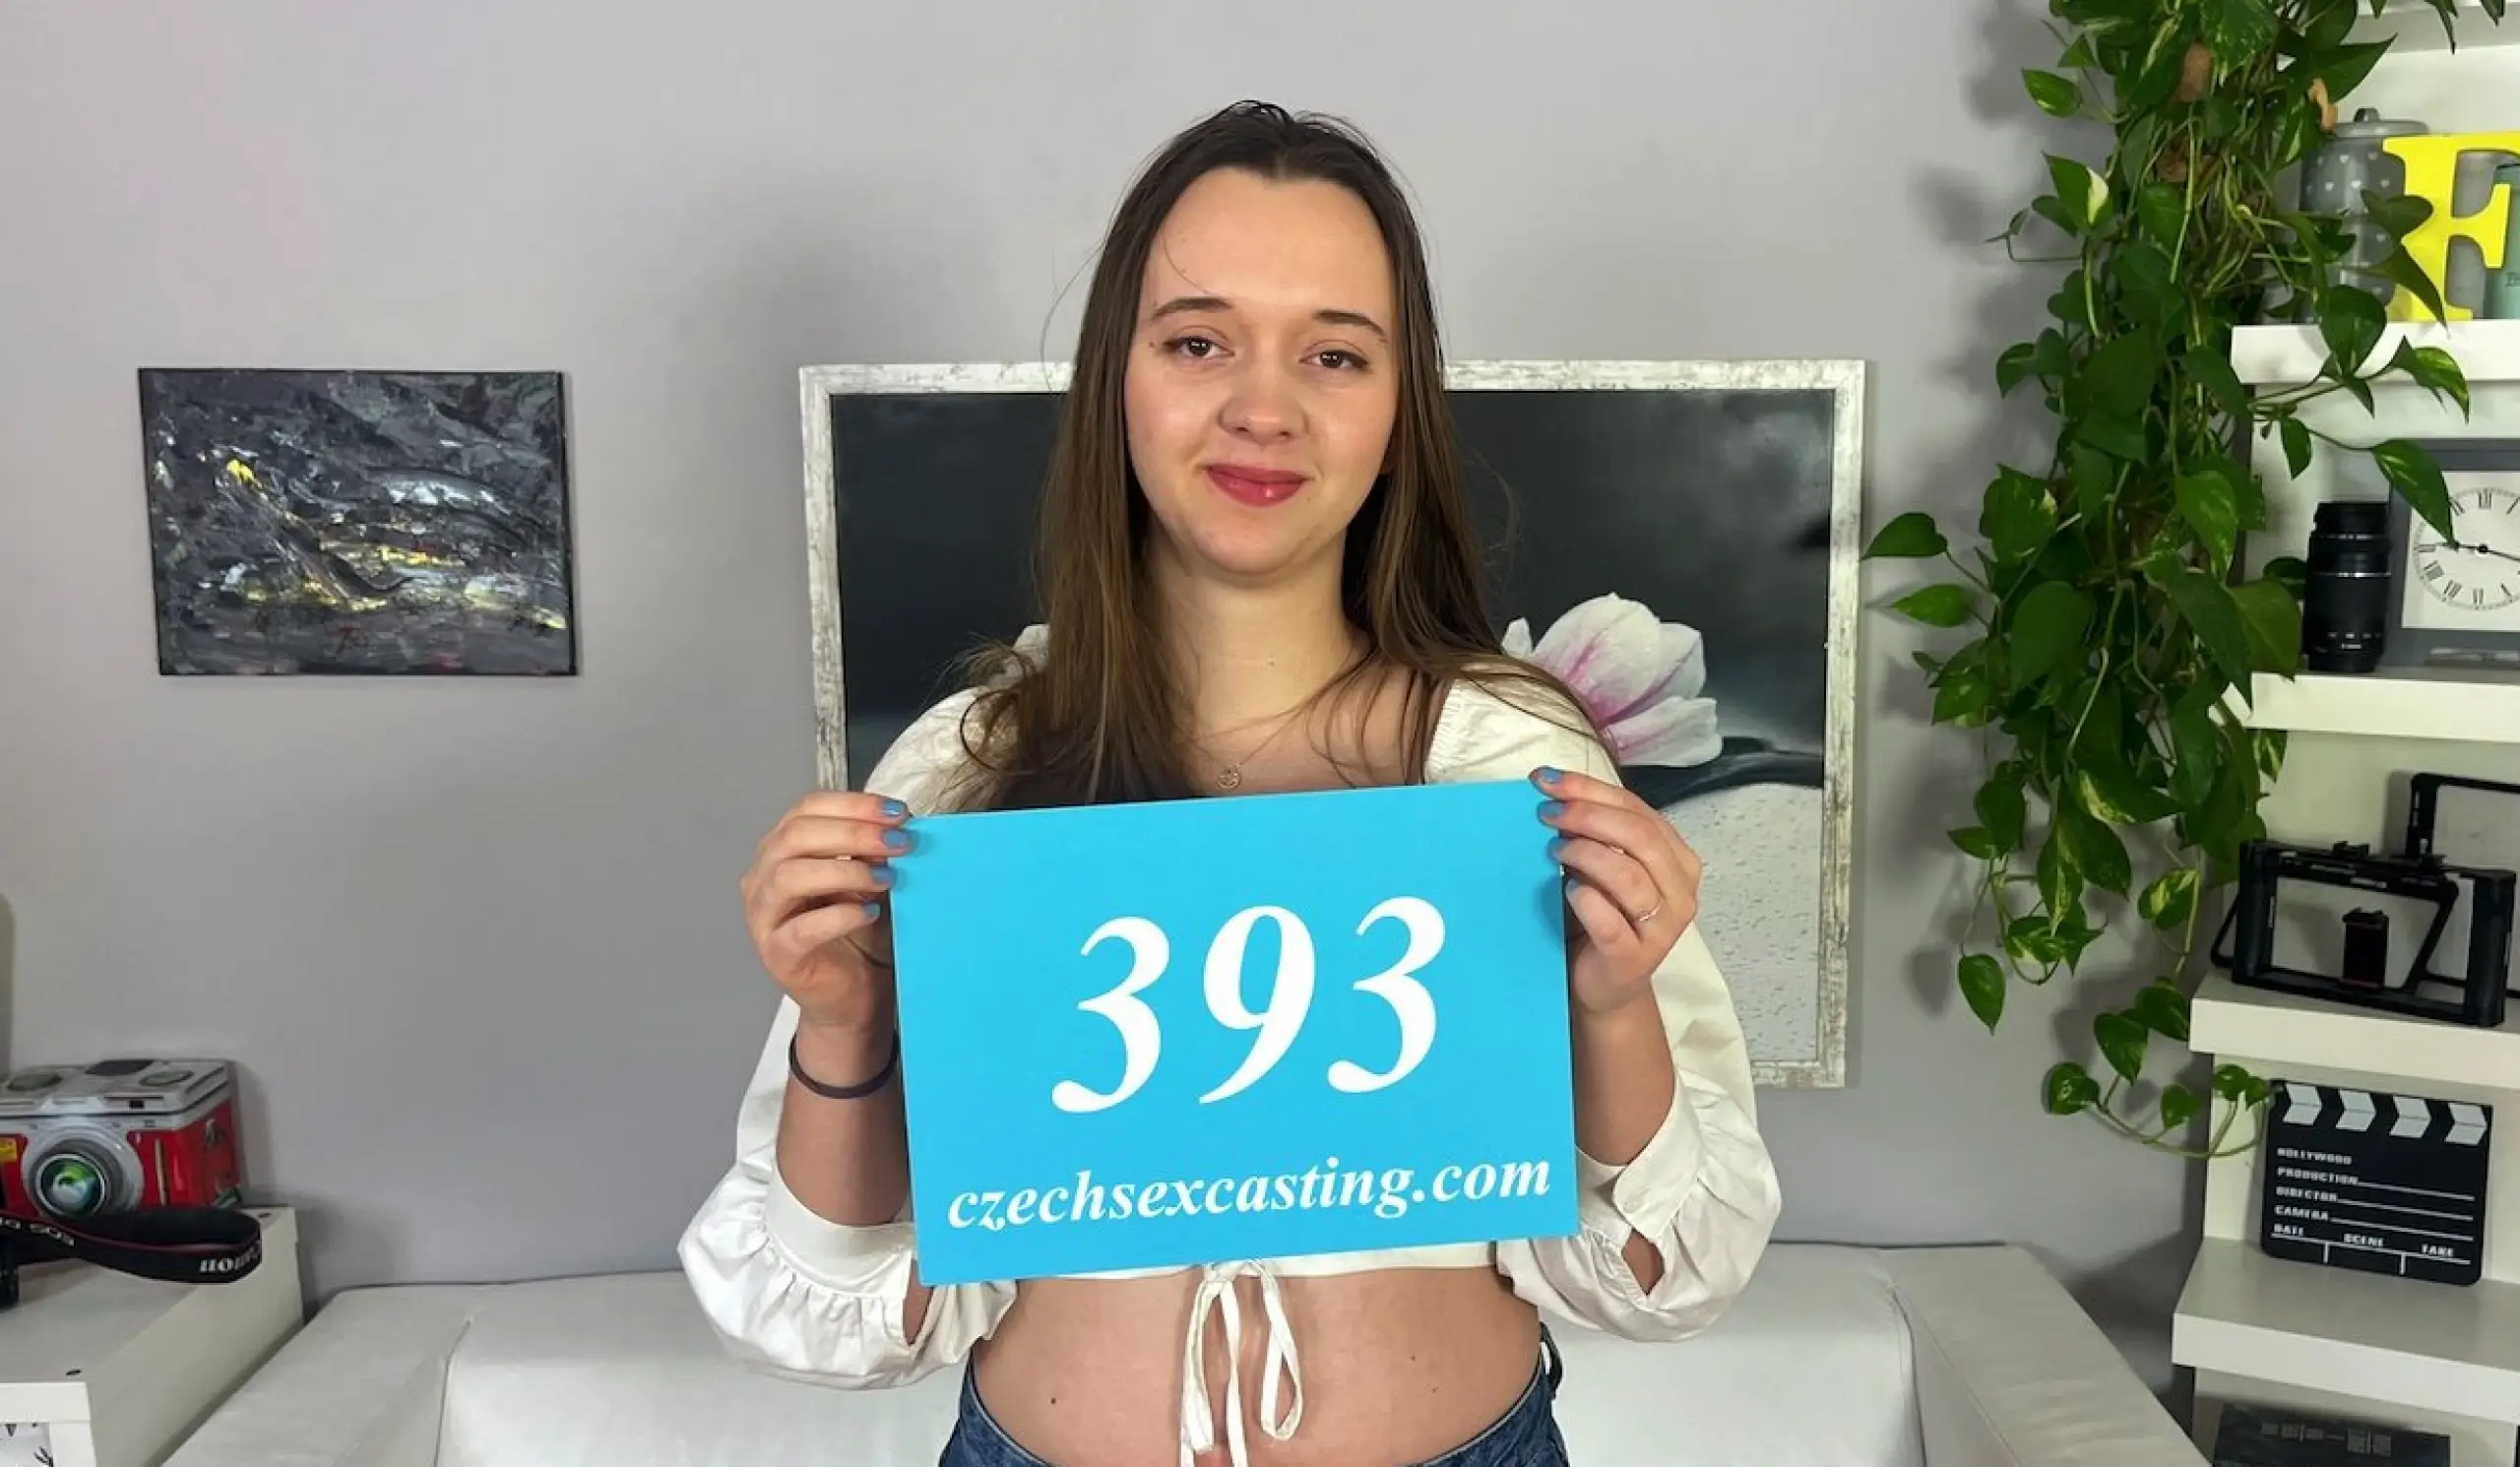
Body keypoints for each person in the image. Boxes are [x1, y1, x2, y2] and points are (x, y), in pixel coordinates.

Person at [680, 99, 1783, 1467]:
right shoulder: (967, 773)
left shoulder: (1509, 763)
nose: (1264, 408)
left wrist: (1611, 1005)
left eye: (1335, 353)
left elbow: (1667, 1275)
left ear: (1400, 410)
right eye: (1198, 341)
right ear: (1117, 381)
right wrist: (845, 1023)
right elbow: (838, 1319)